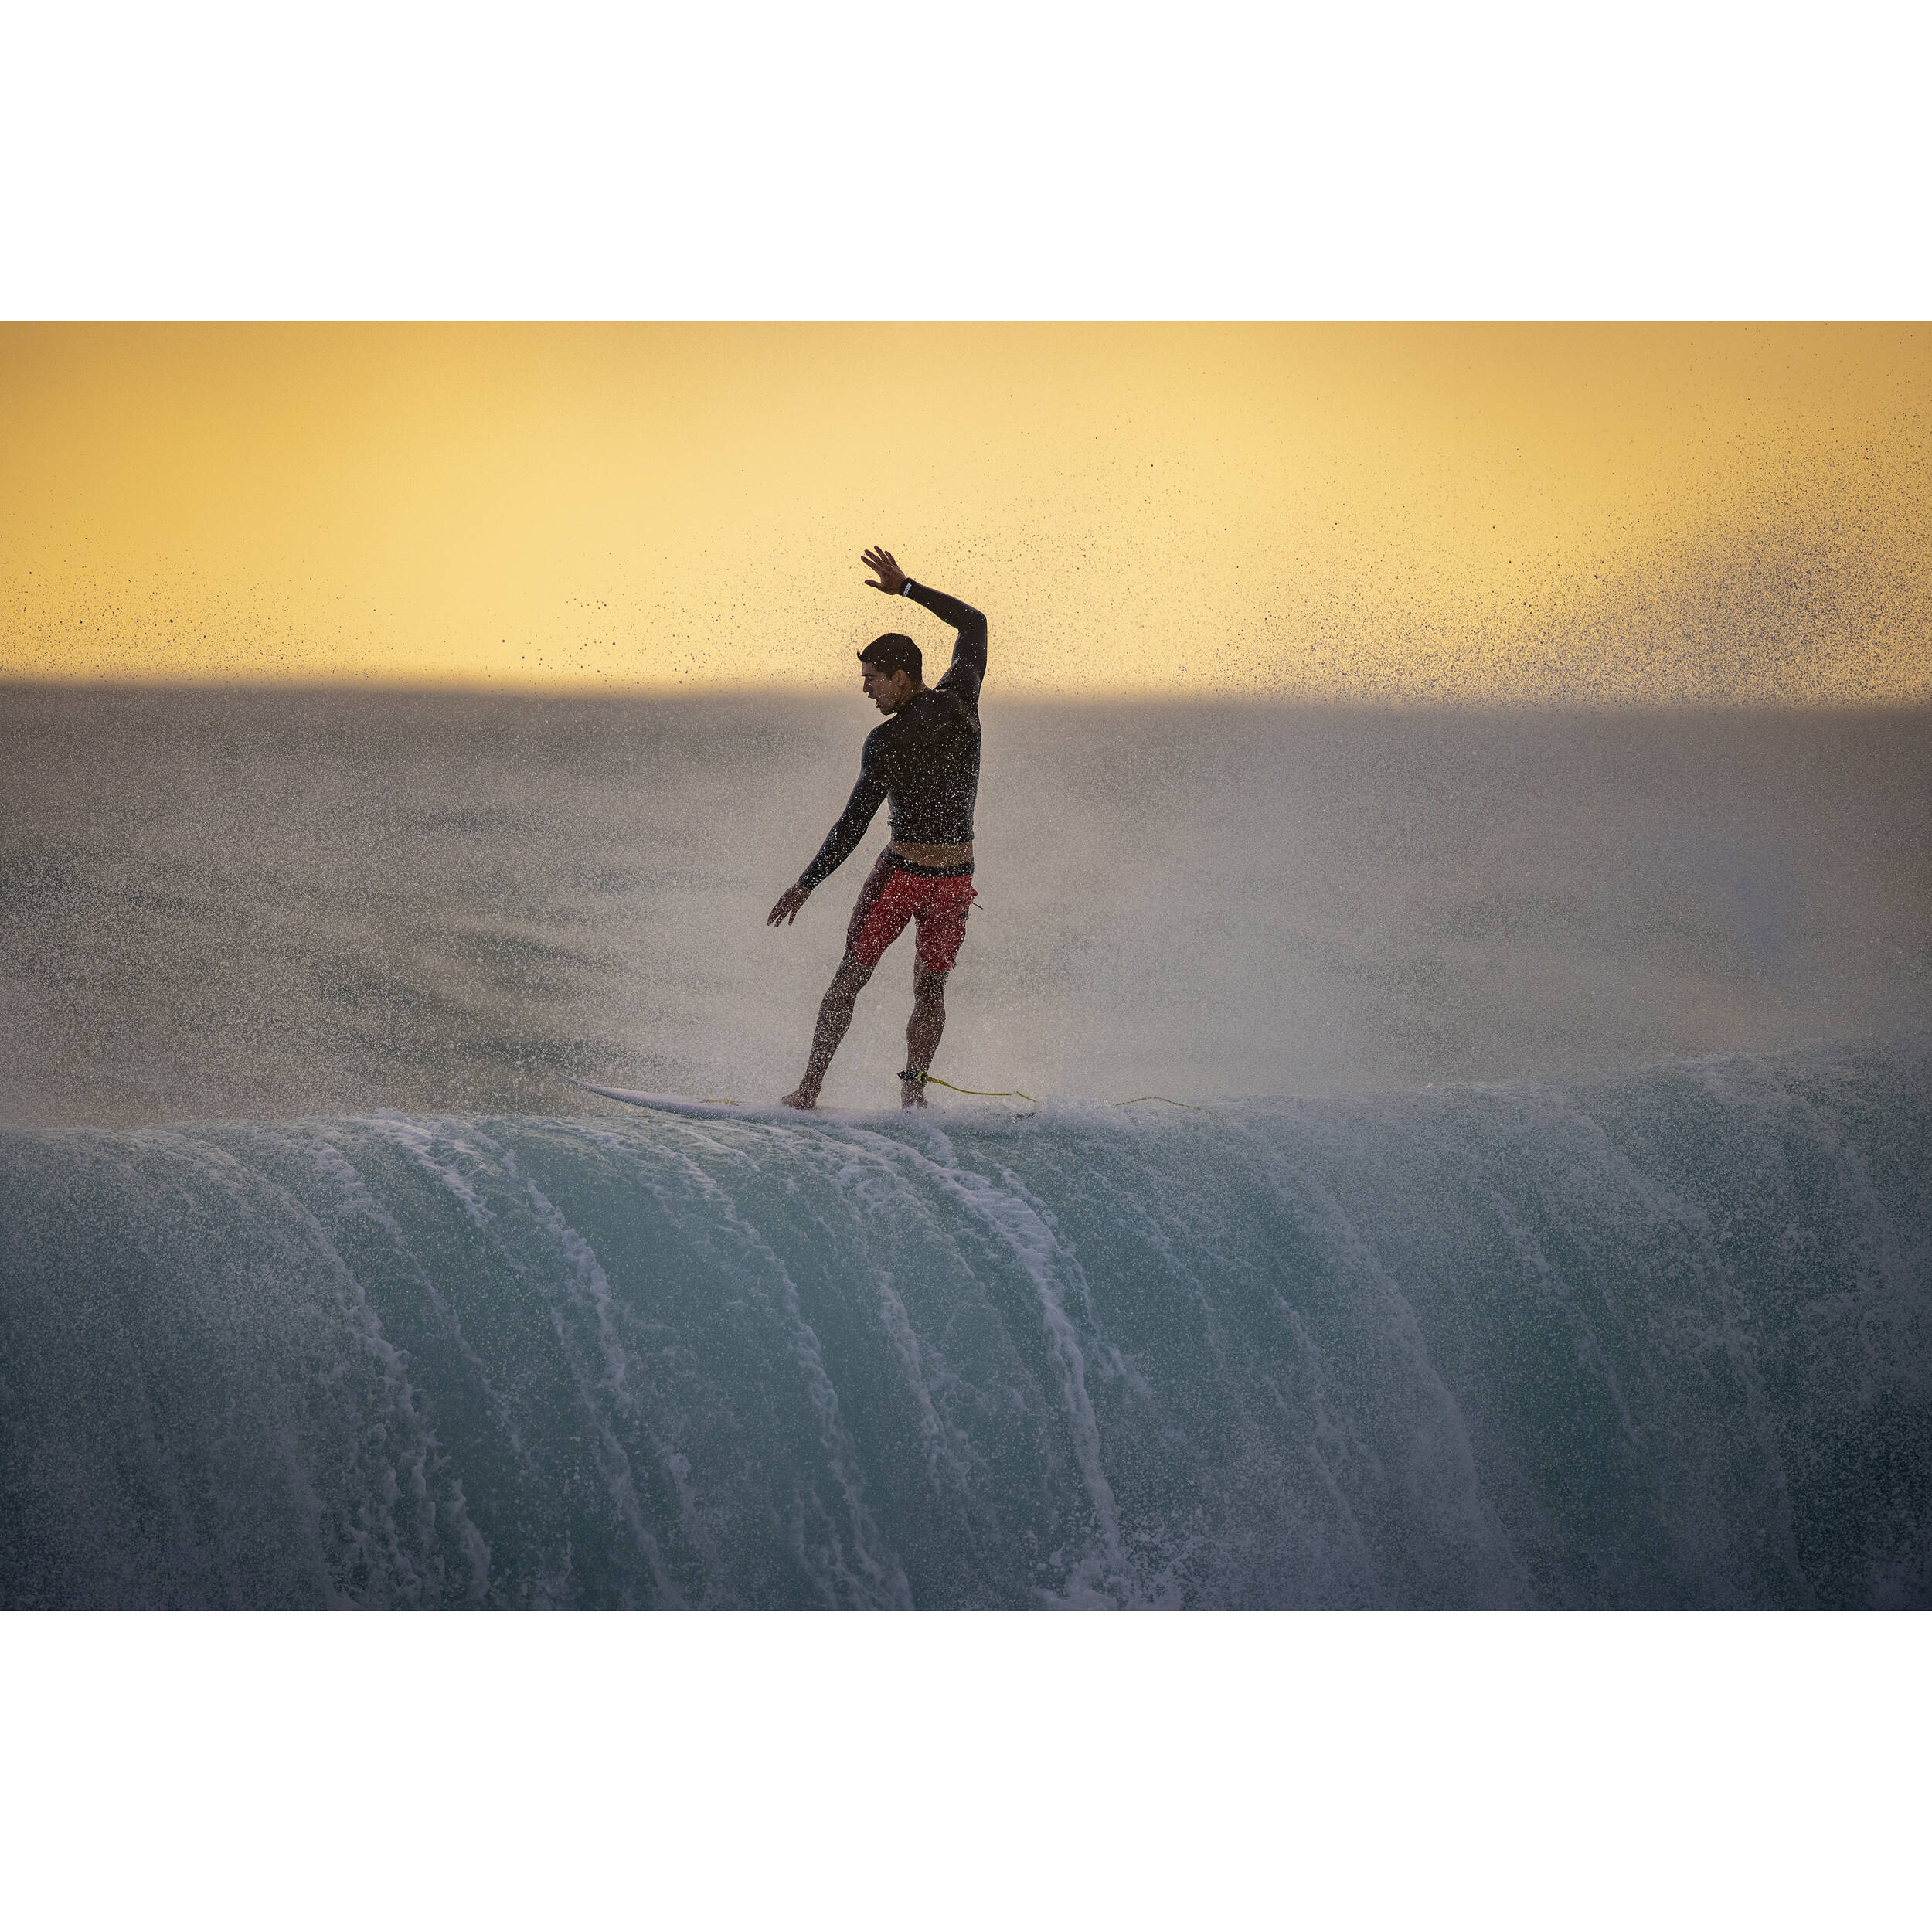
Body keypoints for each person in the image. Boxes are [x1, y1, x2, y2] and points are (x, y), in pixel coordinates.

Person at [767, 546, 987, 1109]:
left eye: (872, 679)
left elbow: (852, 824)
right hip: (941, 877)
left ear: (900, 676)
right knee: (896, 984)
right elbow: (973, 624)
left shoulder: (887, 741)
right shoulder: (961, 699)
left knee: (880, 982)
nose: (866, 689)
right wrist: (907, 588)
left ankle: (839, 1092)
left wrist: (807, 883)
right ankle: (867, 1093)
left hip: (918, 880)